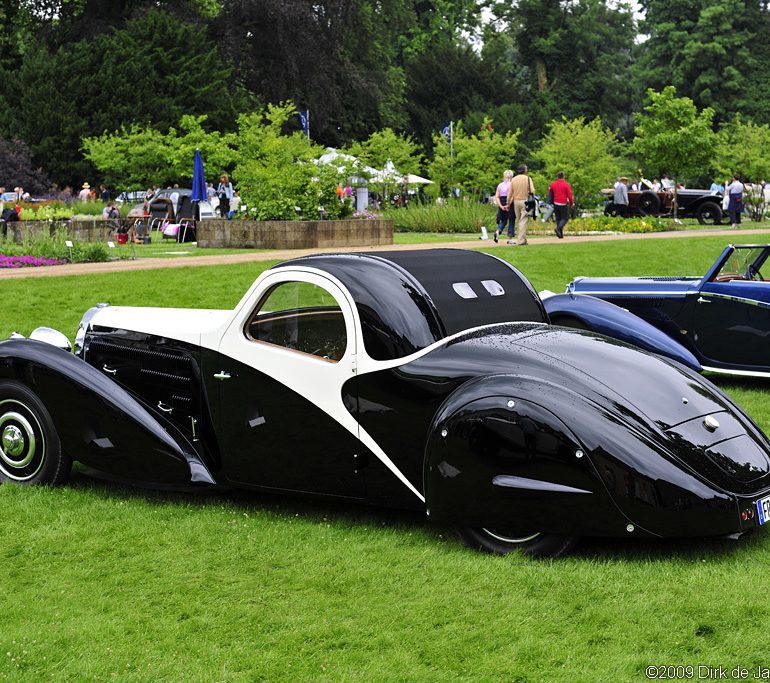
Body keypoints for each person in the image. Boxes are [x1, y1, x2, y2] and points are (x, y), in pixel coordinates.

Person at [505, 164, 535, 245]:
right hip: (525, 201)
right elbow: (532, 191)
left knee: (520, 221)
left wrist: (508, 202)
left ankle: (523, 240)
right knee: (523, 221)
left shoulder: (514, 179)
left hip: (516, 202)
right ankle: (521, 241)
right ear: (525, 170)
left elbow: (510, 192)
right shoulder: (528, 179)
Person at [549, 171, 574, 238]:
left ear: (557, 177)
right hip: (563, 203)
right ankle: (558, 228)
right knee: (565, 218)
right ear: (564, 176)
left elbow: (550, 193)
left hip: (555, 203)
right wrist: (572, 203)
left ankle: (560, 234)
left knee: (558, 218)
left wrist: (551, 202)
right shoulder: (566, 185)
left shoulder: (553, 184)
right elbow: (570, 195)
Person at [493, 169, 513, 243]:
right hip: (509, 201)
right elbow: (512, 195)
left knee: (503, 220)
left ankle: (498, 231)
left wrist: (501, 206)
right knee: (511, 220)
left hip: (501, 200)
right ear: (511, 177)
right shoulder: (512, 184)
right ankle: (510, 238)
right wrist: (508, 204)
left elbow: (497, 196)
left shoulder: (500, 185)